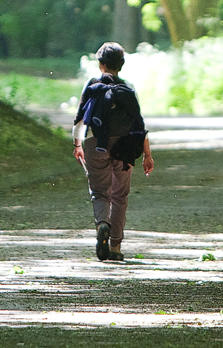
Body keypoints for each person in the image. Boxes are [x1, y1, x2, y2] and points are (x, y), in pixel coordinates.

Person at [74, 42, 153, 262]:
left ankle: (102, 225)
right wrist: (147, 154)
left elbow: (80, 118)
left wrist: (77, 145)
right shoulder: (128, 87)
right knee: (120, 196)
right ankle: (116, 247)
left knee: (100, 192)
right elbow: (139, 123)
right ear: (122, 65)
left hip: (94, 142)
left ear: (101, 64)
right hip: (124, 146)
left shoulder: (92, 84)